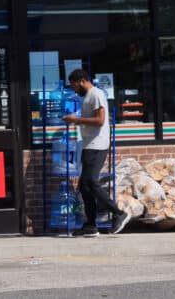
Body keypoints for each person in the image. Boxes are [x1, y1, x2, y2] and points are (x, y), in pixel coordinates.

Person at [61, 69, 130, 236]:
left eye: (74, 86)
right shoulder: (87, 97)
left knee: (91, 181)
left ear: (82, 81)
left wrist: (75, 120)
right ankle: (91, 226)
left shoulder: (97, 94)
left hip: (97, 146)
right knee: (84, 187)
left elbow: (100, 121)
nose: (74, 90)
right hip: (88, 145)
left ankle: (119, 213)